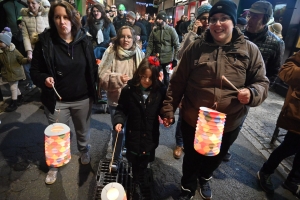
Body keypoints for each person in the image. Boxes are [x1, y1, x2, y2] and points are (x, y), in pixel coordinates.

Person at [161, 1, 269, 199]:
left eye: (224, 18)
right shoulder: (195, 48)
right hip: (194, 119)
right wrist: (168, 109)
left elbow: (262, 82)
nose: (218, 23)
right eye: (213, 20)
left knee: (216, 157)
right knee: (191, 158)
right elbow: (177, 83)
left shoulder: (250, 50)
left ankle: (205, 177)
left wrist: (252, 92)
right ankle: (187, 187)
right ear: (208, 23)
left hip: (228, 122)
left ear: (233, 22)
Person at [30, 1, 98, 184]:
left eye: (66, 17)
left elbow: (92, 69)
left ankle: (84, 150)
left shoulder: (84, 40)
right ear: (52, 20)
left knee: (83, 131)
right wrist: (43, 78)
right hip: (57, 100)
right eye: (57, 17)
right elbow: (34, 71)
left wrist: (96, 90)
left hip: (82, 98)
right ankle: (54, 164)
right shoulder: (45, 42)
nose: (62, 21)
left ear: (73, 18)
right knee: (56, 137)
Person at [113, 56, 166, 199]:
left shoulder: (160, 91)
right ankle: (136, 178)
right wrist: (119, 121)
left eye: (150, 78)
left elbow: (164, 109)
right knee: (134, 159)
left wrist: (167, 116)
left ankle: (141, 176)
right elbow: (121, 109)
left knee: (145, 159)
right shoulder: (129, 90)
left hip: (150, 134)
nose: (146, 81)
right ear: (139, 74)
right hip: (133, 134)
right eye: (143, 77)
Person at [257, 51, 300, 199]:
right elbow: (285, 70)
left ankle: (293, 181)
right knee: (289, 146)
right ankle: (265, 171)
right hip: (298, 113)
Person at [98, 26, 144, 161]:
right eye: (123, 36)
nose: (126, 39)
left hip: (133, 100)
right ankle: (116, 158)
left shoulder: (138, 53)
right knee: (119, 131)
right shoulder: (111, 52)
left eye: (129, 37)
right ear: (118, 38)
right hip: (116, 102)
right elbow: (102, 76)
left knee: (131, 130)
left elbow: (144, 74)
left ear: (134, 39)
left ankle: (128, 153)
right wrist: (119, 79)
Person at [173, 3, 212, 160]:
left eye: (209, 18)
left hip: (206, 86)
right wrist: (193, 33)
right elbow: (180, 53)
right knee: (184, 116)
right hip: (189, 83)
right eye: (202, 19)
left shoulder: (216, 37)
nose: (206, 22)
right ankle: (179, 143)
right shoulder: (192, 34)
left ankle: (198, 145)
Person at [244, 1, 285, 87]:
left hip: (253, 92)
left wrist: (259, 92)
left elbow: (274, 72)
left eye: (255, 17)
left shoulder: (276, 43)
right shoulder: (239, 35)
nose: (249, 20)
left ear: (265, 19)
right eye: (249, 15)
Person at [20, 0, 50, 90]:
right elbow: (25, 36)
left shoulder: (47, 15)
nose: (30, 5)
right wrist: (29, 51)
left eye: (33, 3)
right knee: (37, 72)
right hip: (34, 49)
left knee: (48, 71)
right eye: (29, 3)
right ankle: (41, 93)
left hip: (47, 47)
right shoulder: (25, 17)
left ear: (39, 3)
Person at [146, 11, 179, 87]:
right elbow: (150, 45)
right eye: (157, 18)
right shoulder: (154, 31)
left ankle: (165, 94)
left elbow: (177, 45)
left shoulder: (171, 30)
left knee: (167, 79)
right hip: (156, 59)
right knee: (155, 77)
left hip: (167, 60)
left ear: (164, 20)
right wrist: (147, 57)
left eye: (160, 19)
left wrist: (175, 59)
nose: (157, 20)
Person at [0, 27, 27, 112]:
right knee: (14, 87)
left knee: (13, 87)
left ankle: (14, 103)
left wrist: (27, 60)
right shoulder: (1, 53)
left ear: (7, 42)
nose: (0, 43)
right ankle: (20, 97)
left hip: (16, 72)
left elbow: (21, 59)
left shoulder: (14, 51)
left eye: (1, 42)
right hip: (8, 73)